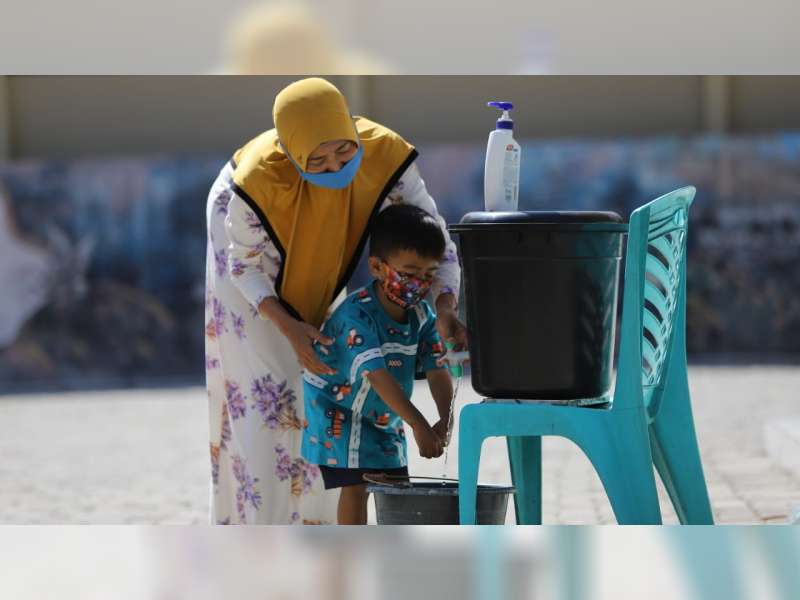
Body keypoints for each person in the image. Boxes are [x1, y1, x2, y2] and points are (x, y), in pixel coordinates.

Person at [205, 77, 466, 524]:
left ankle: (318, 526)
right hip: (250, 260)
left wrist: (445, 308)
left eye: (344, 151)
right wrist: (289, 328)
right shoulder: (255, 187)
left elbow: (433, 240)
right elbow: (244, 267)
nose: (334, 167)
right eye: (318, 160)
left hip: (324, 245)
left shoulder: (386, 156)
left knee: (325, 382)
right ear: (291, 154)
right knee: (266, 391)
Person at [301, 204, 454, 524]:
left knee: (395, 483)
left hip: (385, 411)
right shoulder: (356, 317)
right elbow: (378, 376)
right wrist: (419, 425)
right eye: (409, 273)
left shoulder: (422, 316)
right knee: (357, 484)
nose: (419, 284)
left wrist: (445, 416)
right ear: (377, 267)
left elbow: (438, 367)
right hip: (340, 408)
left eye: (428, 275)